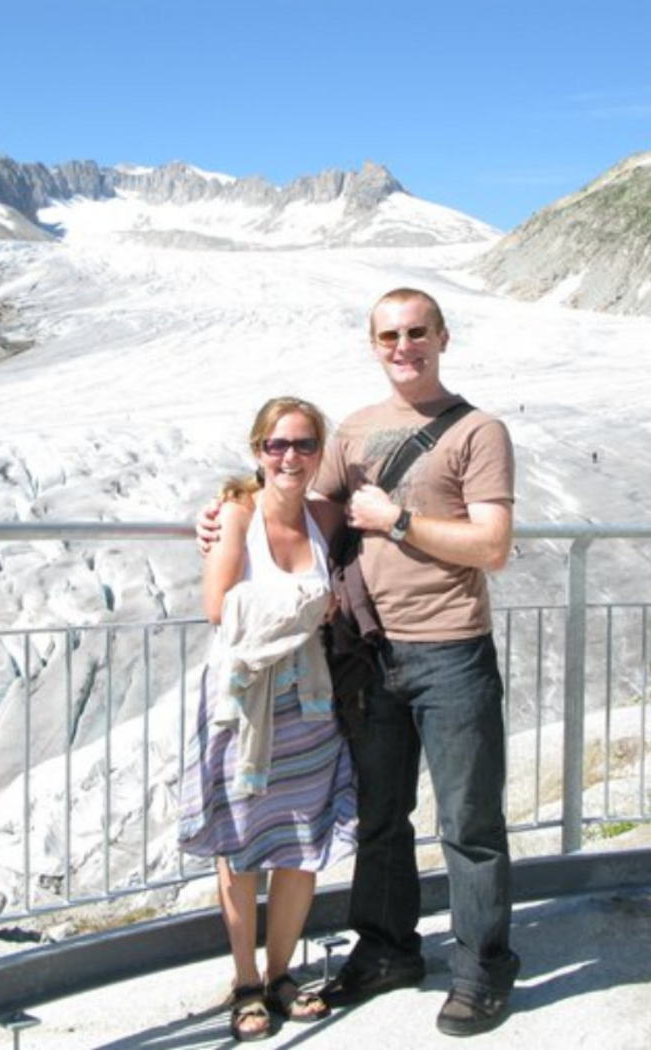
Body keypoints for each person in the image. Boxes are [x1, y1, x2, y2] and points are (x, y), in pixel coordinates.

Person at [199, 288, 519, 1036]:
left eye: (416, 332)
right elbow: (300, 506)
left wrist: (399, 519)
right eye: (389, 335)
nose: (403, 346)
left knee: (470, 823)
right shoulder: (355, 431)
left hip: (451, 649)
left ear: (442, 336)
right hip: (371, 657)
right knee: (381, 818)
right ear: (373, 345)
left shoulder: (479, 432)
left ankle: (482, 967)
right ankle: (386, 950)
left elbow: (493, 546)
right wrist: (224, 510)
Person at [178, 396, 356, 1042]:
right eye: (276, 445)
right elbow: (218, 606)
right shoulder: (236, 515)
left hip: (308, 704)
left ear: (318, 454)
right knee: (242, 842)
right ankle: (246, 979)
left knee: (301, 843)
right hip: (243, 702)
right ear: (258, 451)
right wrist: (310, 603)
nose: (289, 457)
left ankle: (282, 973)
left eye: (304, 445)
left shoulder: (325, 516)